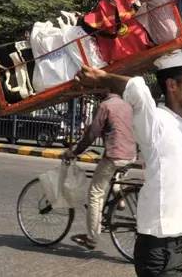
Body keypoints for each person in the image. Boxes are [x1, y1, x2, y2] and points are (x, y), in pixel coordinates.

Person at [74, 49, 182, 277]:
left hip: (181, 245)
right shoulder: (155, 123)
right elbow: (137, 89)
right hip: (158, 248)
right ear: (172, 86)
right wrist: (102, 77)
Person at [62, 92, 137, 250]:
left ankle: (92, 238)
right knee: (113, 177)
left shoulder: (105, 106)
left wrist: (74, 152)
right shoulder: (127, 105)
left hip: (115, 156)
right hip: (131, 156)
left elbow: (91, 134)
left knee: (95, 193)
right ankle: (119, 198)